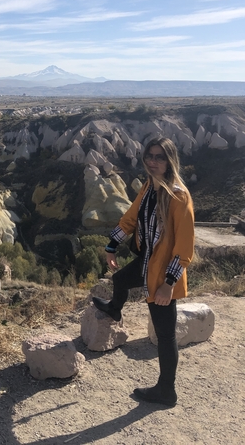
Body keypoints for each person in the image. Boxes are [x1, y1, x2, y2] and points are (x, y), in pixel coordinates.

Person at [92, 136, 194, 407]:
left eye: (160, 157)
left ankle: (166, 390)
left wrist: (169, 284)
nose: (153, 161)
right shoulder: (150, 186)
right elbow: (131, 217)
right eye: (149, 155)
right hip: (147, 262)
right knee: (119, 279)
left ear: (170, 160)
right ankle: (115, 308)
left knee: (165, 334)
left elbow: (184, 248)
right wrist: (111, 245)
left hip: (162, 273)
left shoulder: (178, 196)